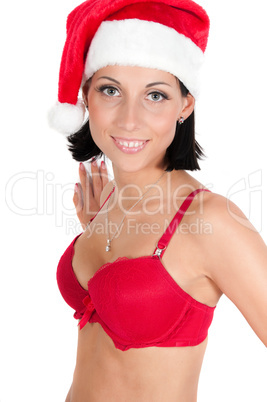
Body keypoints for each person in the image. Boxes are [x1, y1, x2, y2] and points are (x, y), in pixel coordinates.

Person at [48, 0, 267, 400]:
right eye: (110, 90)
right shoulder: (109, 204)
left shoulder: (209, 219)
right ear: (85, 95)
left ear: (185, 104)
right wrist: (100, 227)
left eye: (155, 96)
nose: (129, 119)